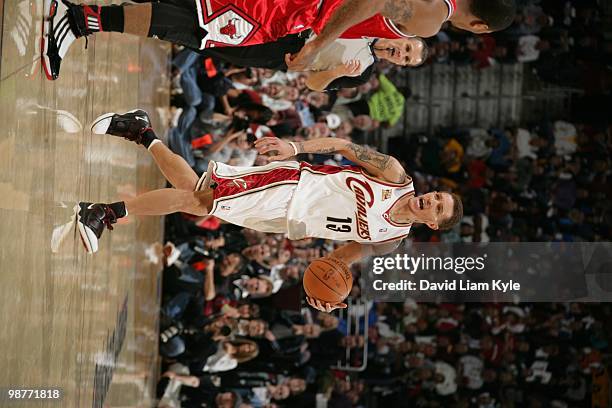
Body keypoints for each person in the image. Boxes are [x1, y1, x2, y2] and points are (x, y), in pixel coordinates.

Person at [75, 109, 463, 311]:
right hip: (293, 185)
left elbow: (340, 260)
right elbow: (346, 147)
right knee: (199, 200)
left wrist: (326, 293)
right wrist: (296, 147)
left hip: (285, 220)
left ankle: (140, 133)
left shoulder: (388, 239)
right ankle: (106, 211)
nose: (430, 199)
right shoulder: (395, 174)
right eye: (436, 195)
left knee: (196, 197)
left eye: (436, 207)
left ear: (432, 223)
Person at [42, 0, 516, 79]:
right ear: (481, 27)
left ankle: (86, 19)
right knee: (191, 22)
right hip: (296, 11)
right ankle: (80, 18)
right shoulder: (434, 17)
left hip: (296, 14)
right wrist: (318, 42)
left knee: (193, 25)